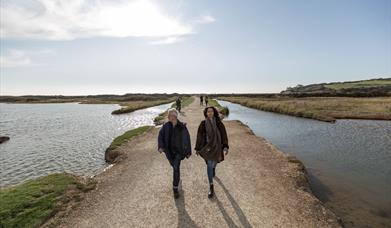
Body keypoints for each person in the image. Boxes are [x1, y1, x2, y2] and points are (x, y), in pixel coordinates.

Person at [195, 106, 229, 198]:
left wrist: (225, 146)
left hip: (217, 147)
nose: (210, 113)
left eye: (211, 111)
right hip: (207, 148)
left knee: (214, 163)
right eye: (208, 112)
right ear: (206, 113)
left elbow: (223, 134)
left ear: (214, 113)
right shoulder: (203, 124)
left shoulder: (219, 123)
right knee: (209, 164)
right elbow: (199, 136)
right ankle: (211, 186)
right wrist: (198, 148)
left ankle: (213, 168)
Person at [158, 108, 191, 199]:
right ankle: (177, 177)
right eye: (169, 116)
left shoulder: (182, 126)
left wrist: (188, 151)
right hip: (169, 152)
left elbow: (187, 139)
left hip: (179, 152)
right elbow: (160, 136)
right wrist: (161, 147)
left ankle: (175, 188)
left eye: (173, 116)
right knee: (175, 167)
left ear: (176, 116)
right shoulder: (165, 126)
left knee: (176, 167)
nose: (171, 117)